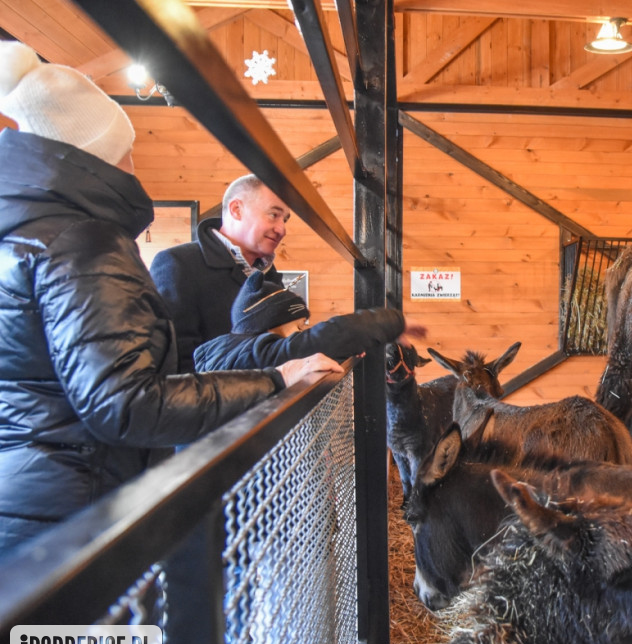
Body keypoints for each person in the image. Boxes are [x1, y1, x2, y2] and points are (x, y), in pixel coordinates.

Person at [0, 41, 342, 557]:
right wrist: (274, 379)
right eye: (126, 149)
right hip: (82, 502)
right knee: (104, 638)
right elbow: (130, 399)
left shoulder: (30, 233)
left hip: (42, 495)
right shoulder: (86, 242)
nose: (133, 164)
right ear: (98, 156)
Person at [150, 174, 289, 372]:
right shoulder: (178, 264)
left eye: (285, 219)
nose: (282, 229)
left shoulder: (269, 276)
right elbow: (173, 363)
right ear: (236, 209)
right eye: (274, 215)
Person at [194, 271, 428, 371]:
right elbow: (328, 336)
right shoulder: (257, 354)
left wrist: (344, 352)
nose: (302, 332)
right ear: (270, 326)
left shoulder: (232, 353)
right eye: (298, 327)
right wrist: (393, 322)